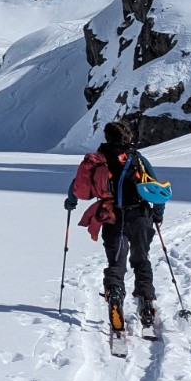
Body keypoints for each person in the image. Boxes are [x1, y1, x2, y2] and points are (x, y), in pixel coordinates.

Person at [65, 119, 164, 327]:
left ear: (107, 138)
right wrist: (158, 214)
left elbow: (78, 185)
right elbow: (156, 189)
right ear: (128, 137)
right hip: (139, 217)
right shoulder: (138, 159)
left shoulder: (98, 160)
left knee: (116, 263)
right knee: (141, 260)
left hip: (111, 217)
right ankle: (146, 302)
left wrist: (71, 202)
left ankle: (116, 295)